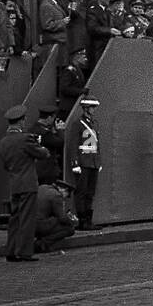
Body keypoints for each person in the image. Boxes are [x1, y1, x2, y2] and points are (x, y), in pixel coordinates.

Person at [0, 106, 48, 262]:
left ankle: (11, 250)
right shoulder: (25, 138)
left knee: (14, 219)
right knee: (27, 219)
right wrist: (41, 146)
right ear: (21, 121)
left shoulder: (4, 141)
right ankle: (25, 251)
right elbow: (42, 154)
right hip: (28, 183)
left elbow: (6, 165)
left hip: (14, 184)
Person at [65, 94, 102, 229]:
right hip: (83, 162)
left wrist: (99, 161)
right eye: (92, 107)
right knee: (81, 191)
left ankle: (88, 219)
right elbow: (73, 144)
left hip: (93, 162)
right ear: (86, 108)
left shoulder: (94, 123)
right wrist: (75, 163)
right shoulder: (78, 124)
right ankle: (82, 220)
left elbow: (97, 144)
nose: (94, 109)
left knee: (90, 192)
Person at [34, 180, 78, 253]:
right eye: (66, 195)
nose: (64, 199)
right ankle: (42, 244)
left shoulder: (42, 187)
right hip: (39, 226)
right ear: (64, 190)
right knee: (69, 229)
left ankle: (41, 243)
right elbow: (62, 218)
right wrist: (73, 221)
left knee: (50, 221)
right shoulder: (56, 195)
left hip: (28, 224)